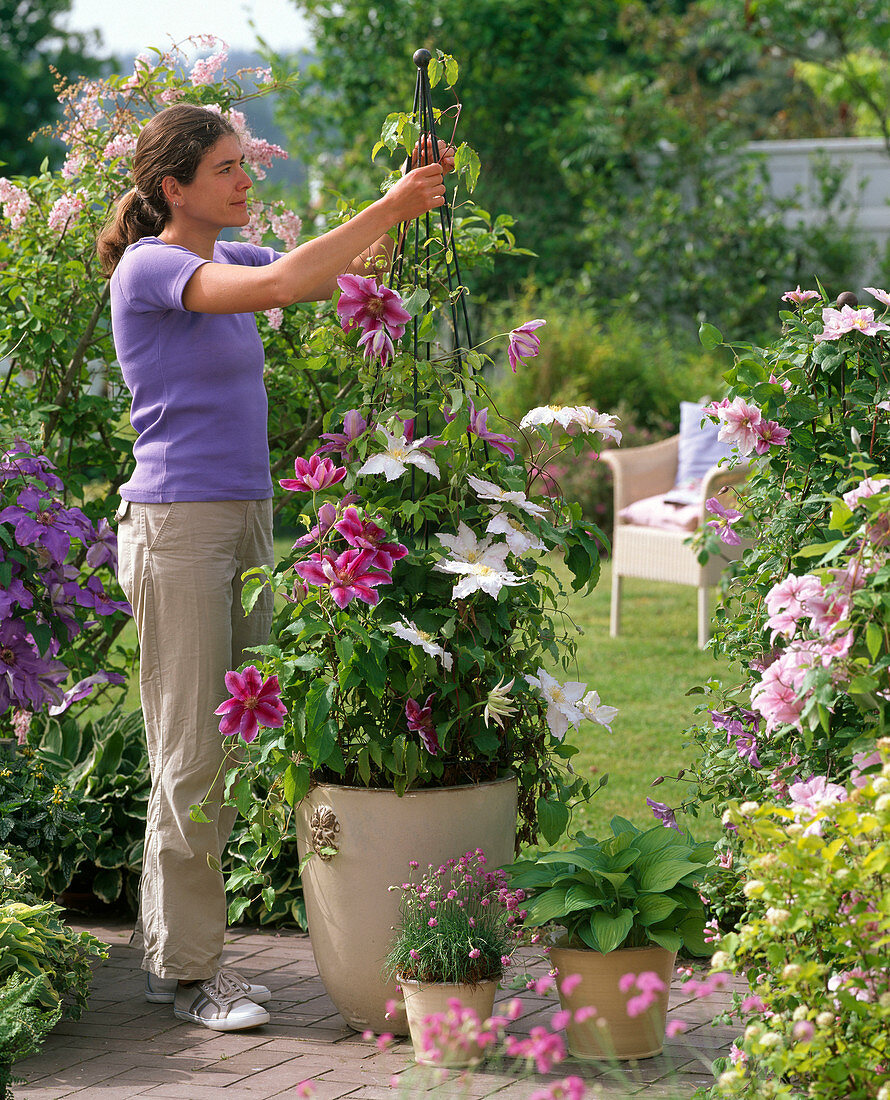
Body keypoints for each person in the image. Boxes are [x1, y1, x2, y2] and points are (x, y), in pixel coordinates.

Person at [97, 103, 451, 1032]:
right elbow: (294, 277)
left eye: (244, 163)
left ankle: (171, 955)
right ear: (174, 188)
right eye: (226, 168)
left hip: (244, 521)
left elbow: (337, 268)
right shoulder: (154, 266)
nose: (245, 180)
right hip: (177, 528)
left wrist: (410, 201)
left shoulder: (226, 260)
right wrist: (389, 200)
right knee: (191, 750)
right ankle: (189, 975)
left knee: (230, 744)